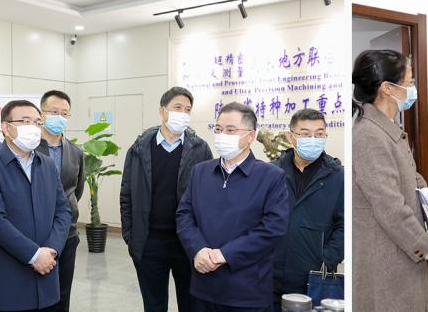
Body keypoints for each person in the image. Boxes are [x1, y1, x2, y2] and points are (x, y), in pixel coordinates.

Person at [351, 50, 428, 312]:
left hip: (401, 252)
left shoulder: (388, 127)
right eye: (409, 82)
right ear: (387, 88)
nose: (413, 89)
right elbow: (389, 205)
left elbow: (416, 180)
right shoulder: (368, 135)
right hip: (387, 257)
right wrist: (426, 246)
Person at [177, 102, 288, 312]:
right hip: (203, 286)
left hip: (247, 291)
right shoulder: (200, 172)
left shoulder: (271, 176)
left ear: (251, 136)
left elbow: (273, 229)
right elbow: (184, 215)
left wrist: (225, 254)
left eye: (230, 130)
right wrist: (197, 249)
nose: (222, 135)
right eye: (218, 129)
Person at [0, 99, 72, 312]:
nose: (33, 127)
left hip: (47, 281)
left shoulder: (46, 164)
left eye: (37, 122)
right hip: (8, 285)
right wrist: (34, 255)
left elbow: (63, 210)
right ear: (6, 127)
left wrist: (51, 250)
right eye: (25, 121)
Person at [120, 86, 213, 312]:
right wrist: (130, 235)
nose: (183, 113)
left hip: (187, 241)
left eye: (187, 109)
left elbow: (210, 197)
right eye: (177, 107)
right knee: (154, 305)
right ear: (162, 111)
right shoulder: (139, 148)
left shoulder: (200, 149)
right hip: (149, 241)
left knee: (191, 304)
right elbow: (126, 194)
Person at [271, 108, 344, 307]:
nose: (313, 139)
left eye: (319, 134)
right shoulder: (272, 172)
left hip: (312, 278)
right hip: (269, 277)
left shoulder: (338, 177)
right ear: (291, 137)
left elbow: (345, 226)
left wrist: (327, 259)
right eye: (305, 134)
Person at [36, 91, 85, 312]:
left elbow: (76, 190)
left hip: (67, 233)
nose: (60, 117)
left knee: (63, 293)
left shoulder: (75, 152)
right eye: (54, 112)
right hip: (36, 234)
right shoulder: (28, 148)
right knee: (36, 293)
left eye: (64, 113)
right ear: (41, 114)